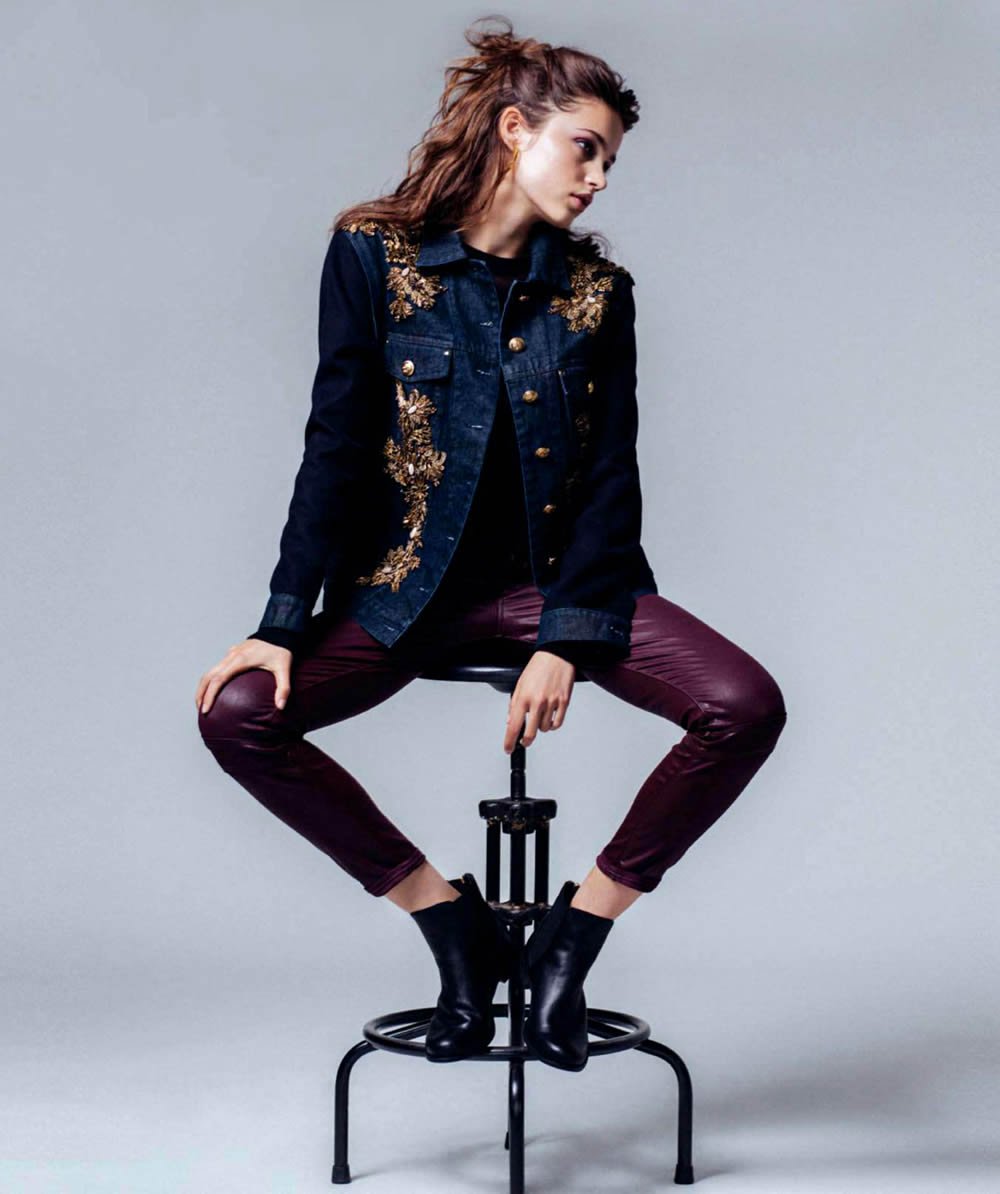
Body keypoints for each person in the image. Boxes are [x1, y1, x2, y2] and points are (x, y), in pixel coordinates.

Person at [195, 16, 787, 1073]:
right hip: (408, 593)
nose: (598, 179)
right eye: (585, 149)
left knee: (744, 705)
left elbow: (611, 480)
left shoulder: (597, 296)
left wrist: (564, 639)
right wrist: (279, 624)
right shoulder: (372, 257)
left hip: (566, 589)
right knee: (239, 716)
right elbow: (335, 446)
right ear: (516, 130)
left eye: (609, 161)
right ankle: (449, 922)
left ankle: (571, 939)